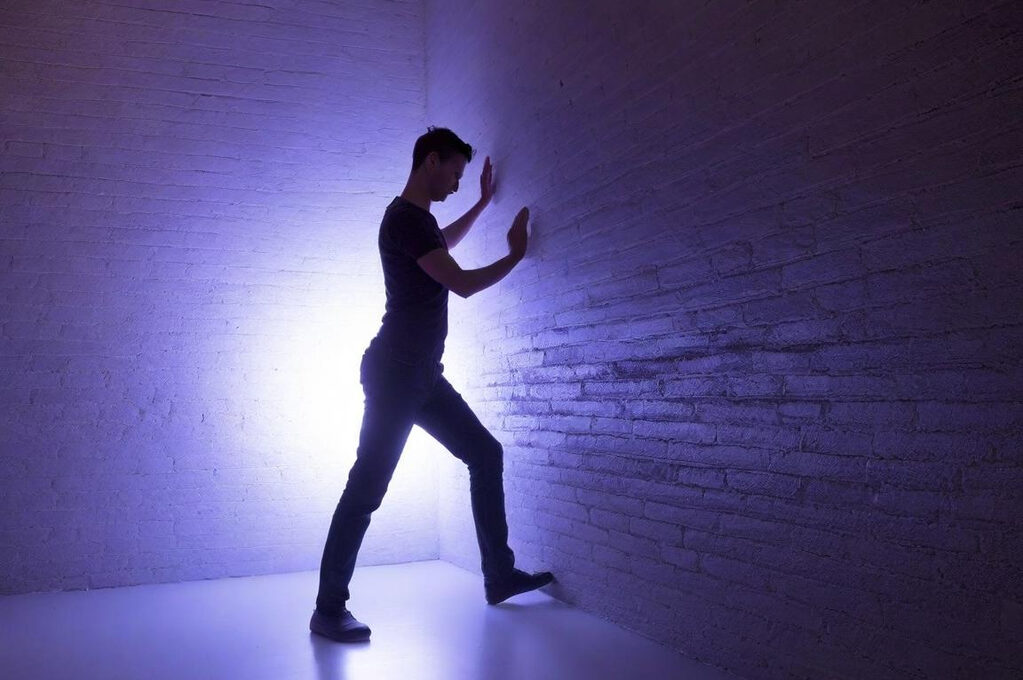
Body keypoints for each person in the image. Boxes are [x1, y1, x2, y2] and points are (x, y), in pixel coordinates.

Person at [310, 127, 555, 643]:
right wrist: (514, 256)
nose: (457, 184)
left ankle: (498, 575)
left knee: (485, 454)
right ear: (430, 162)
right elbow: (461, 283)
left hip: (421, 373)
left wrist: (487, 202)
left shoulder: (417, 223)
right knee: (367, 489)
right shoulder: (404, 218)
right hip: (397, 372)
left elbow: (444, 242)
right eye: (455, 174)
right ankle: (328, 609)